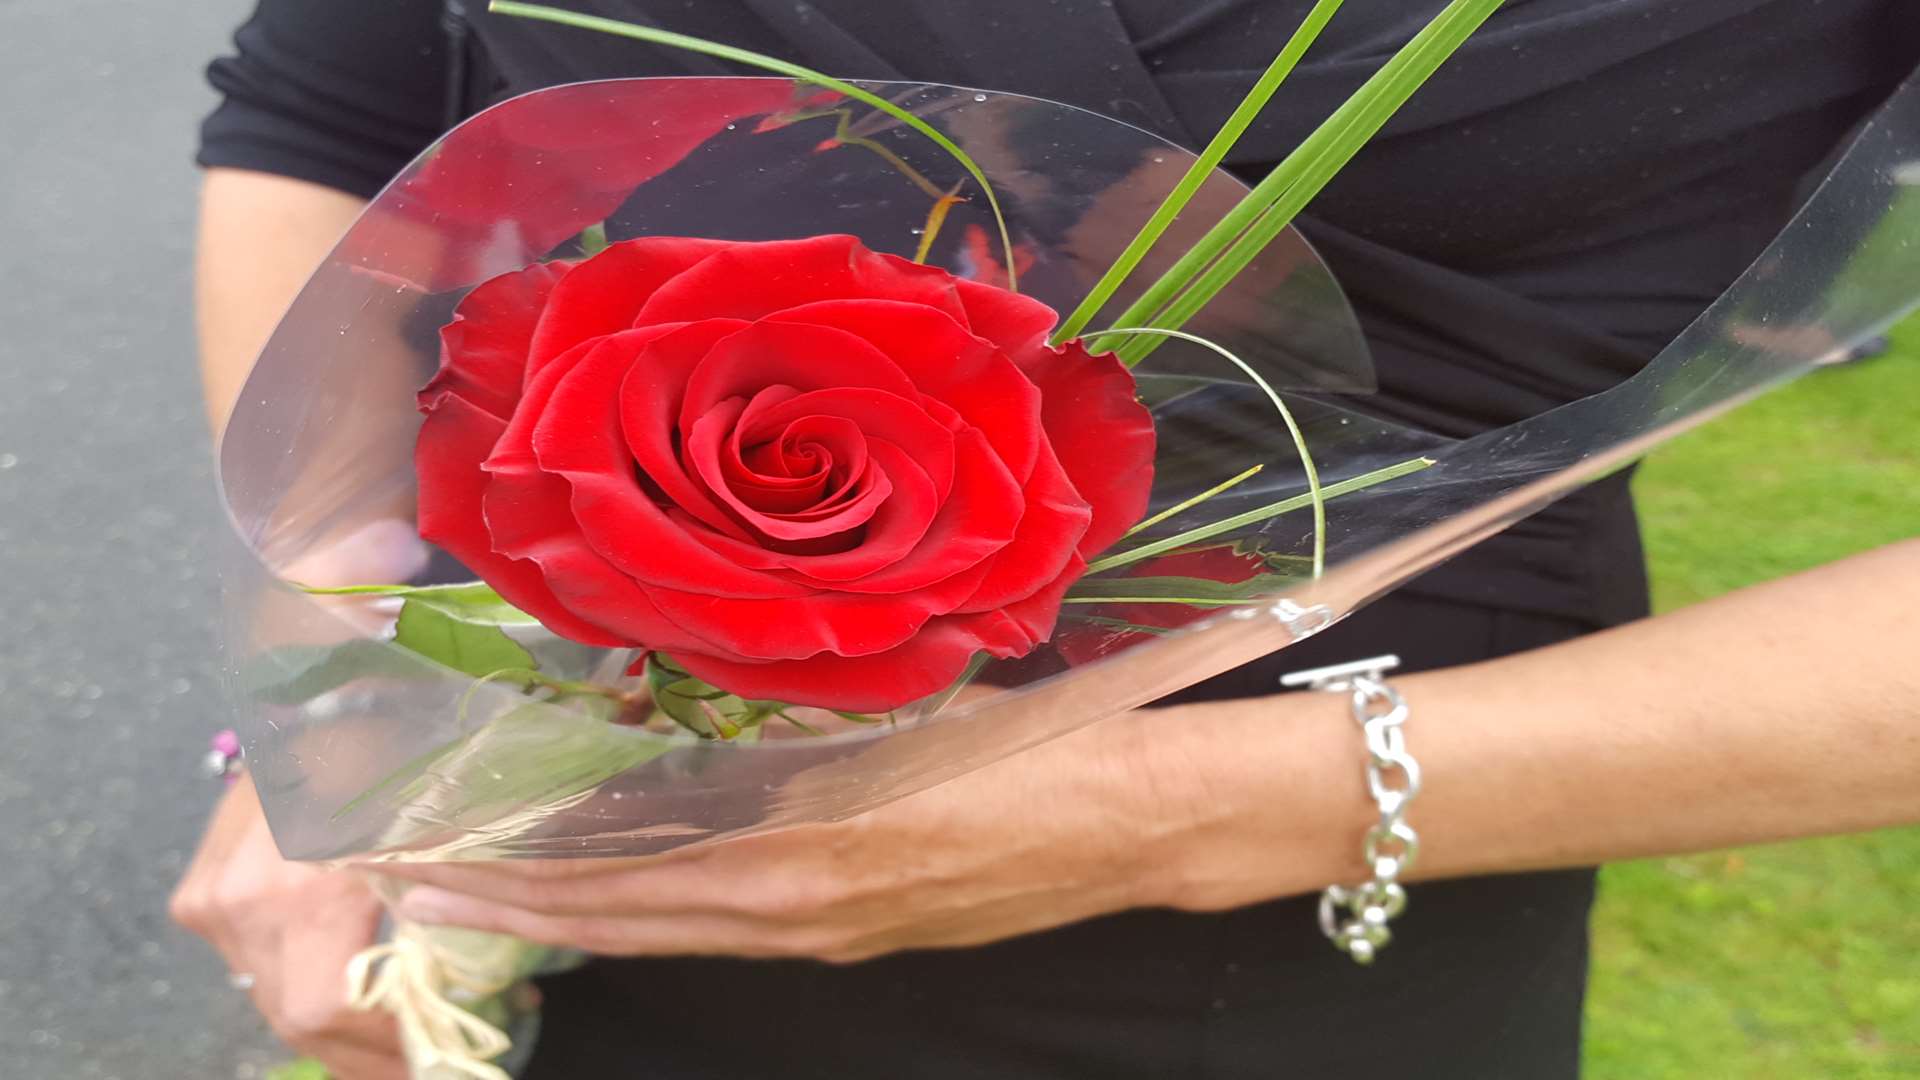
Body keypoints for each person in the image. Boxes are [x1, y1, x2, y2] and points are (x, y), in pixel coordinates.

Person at [170, 3, 1920, 1078]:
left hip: (1306, 908)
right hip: (595, 854)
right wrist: (350, 684)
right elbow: (325, 116)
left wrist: (1171, 812)